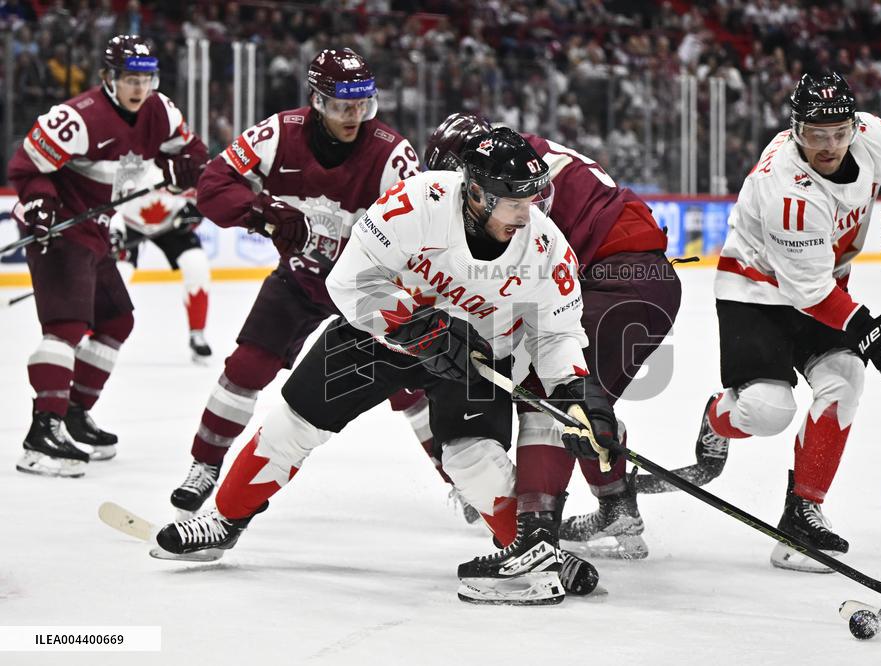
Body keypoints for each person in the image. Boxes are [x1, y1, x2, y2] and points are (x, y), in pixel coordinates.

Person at [154, 127, 614, 606]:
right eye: (513, 202)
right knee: (291, 426)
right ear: (476, 191)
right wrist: (415, 322)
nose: (527, 214)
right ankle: (224, 521)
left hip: (474, 358)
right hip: (380, 339)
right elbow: (349, 281)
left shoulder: (547, 247)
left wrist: (576, 392)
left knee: (473, 460)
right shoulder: (417, 203)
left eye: (533, 200)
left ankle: (535, 555)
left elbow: (556, 333)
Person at [168, 48, 421, 514]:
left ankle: (459, 478)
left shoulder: (392, 153)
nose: (355, 116)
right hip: (300, 280)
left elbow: (422, 237)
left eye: (362, 104)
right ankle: (204, 465)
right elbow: (212, 187)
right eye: (344, 106)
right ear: (318, 101)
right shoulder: (278, 133)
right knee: (246, 366)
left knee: (412, 386)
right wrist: (267, 216)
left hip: (367, 291)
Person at [696, 72, 881, 572]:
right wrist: (875, 332)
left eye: (839, 132)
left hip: (820, 287)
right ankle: (718, 417)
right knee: (767, 410)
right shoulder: (786, 189)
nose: (830, 145)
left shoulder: (869, 135)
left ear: (854, 125)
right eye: (816, 134)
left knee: (846, 379)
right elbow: (810, 294)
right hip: (755, 292)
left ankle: (802, 514)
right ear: (796, 128)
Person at [420, 113, 682, 559]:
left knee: (552, 392)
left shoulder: (508, 176)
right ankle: (615, 501)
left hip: (616, 279)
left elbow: (512, 274)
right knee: (580, 396)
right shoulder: (521, 153)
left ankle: (534, 534)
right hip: (636, 276)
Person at [7, 34, 207, 477]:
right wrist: (40, 203)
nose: (139, 88)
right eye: (129, 78)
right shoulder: (77, 118)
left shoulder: (161, 109)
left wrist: (186, 166)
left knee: (116, 319)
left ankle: (74, 415)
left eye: (145, 78)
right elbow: (25, 166)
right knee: (66, 327)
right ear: (108, 78)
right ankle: (43, 433)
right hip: (58, 225)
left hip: (94, 228)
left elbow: (192, 152)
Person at [110, 171, 213, 363]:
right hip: (128, 223)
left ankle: (197, 334)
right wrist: (113, 231)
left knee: (196, 263)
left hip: (170, 223)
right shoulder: (129, 154)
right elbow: (107, 199)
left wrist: (195, 212)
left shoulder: (184, 152)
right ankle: (92, 332)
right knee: (118, 274)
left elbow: (206, 191)